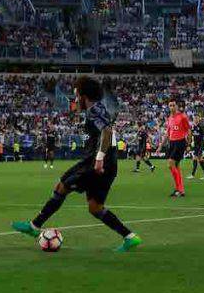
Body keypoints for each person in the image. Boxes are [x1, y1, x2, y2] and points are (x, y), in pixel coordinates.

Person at [11, 76, 142, 253]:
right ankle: (130, 237)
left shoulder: (95, 109)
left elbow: (108, 131)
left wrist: (99, 158)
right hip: (104, 162)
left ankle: (34, 227)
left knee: (62, 187)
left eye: (76, 93)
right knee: (95, 208)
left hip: (97, 162)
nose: (74, 97)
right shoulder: (95, 110)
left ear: (84, 96)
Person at [156, 100, 191, 197]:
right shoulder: (169, 118)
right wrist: (160, 146)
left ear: (176, 106)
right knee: (176, 166)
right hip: (172, 142)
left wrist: (188, 145)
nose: (171, 107)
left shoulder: (182, 117)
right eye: (170, 105)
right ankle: (180, 189)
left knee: (171, 163)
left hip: (180, 142)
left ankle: (179, 189)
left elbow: (188, 131)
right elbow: (167, 133)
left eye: (173, 105)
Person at [187, 114, 204, 180]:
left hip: (200, 144)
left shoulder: (201, 126)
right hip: (196, 145)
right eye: (195, 118)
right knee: (196, 159)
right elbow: (191, 135)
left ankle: (195, 175)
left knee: (198, 158)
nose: (195, 119)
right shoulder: (192, 126)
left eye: (197, 118)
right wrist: (189, 145)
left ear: (199, 119)